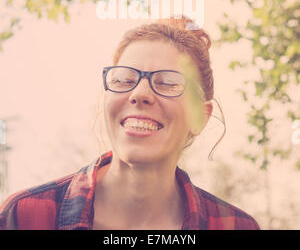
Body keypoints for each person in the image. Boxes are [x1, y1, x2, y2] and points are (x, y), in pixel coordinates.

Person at [0, 15, 260, 230]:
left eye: (168, 83)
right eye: (124, 79)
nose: (140, 94)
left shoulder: (236, 226)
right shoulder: (24, 217)